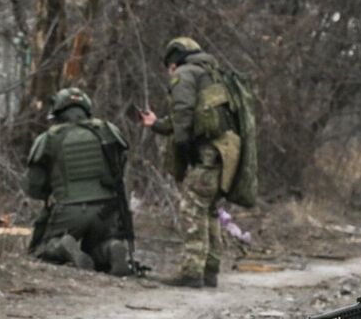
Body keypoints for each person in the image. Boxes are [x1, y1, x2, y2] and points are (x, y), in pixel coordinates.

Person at [136, 37, 237, 287]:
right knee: (209, 210)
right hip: (224, 156)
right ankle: (210, 270)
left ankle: (191, 271)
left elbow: (183, 114)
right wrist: (157, 124)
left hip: (206, 156)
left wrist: (185, 149)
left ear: (174, 59)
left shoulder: (185, 73)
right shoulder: (212, 74)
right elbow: (195, 115)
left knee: (192, 207)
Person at [25, 87, 135, 275]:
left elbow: (34, 187)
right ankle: (112, 248)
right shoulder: (108, 130)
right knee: (96, 248)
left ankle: (61, 245)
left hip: (70, 208)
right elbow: (122, 167)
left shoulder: (50, 138)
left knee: (41, 250)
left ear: (58, 111)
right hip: (107, 208)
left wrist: (49, 195)